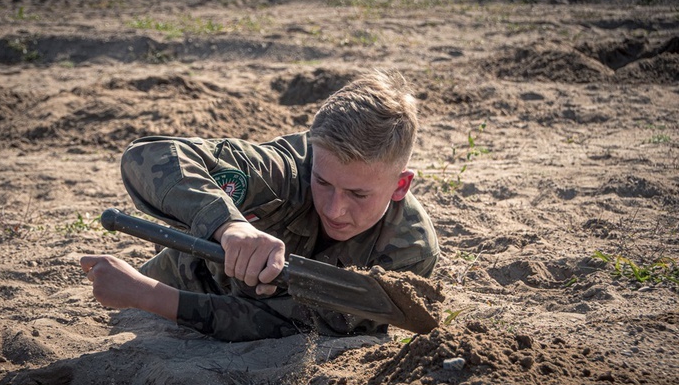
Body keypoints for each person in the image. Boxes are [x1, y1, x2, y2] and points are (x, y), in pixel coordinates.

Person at [80, 70, 440, 342]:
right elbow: (147, 156)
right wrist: (230, 225)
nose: (334, 209)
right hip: (180, 283)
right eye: (323, 182)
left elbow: (285, 323)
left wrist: (147, 294)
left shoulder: (409, 249)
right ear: (313, 155)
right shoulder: (285, 169)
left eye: (358, 195)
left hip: (166, 303)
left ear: (400, 185)